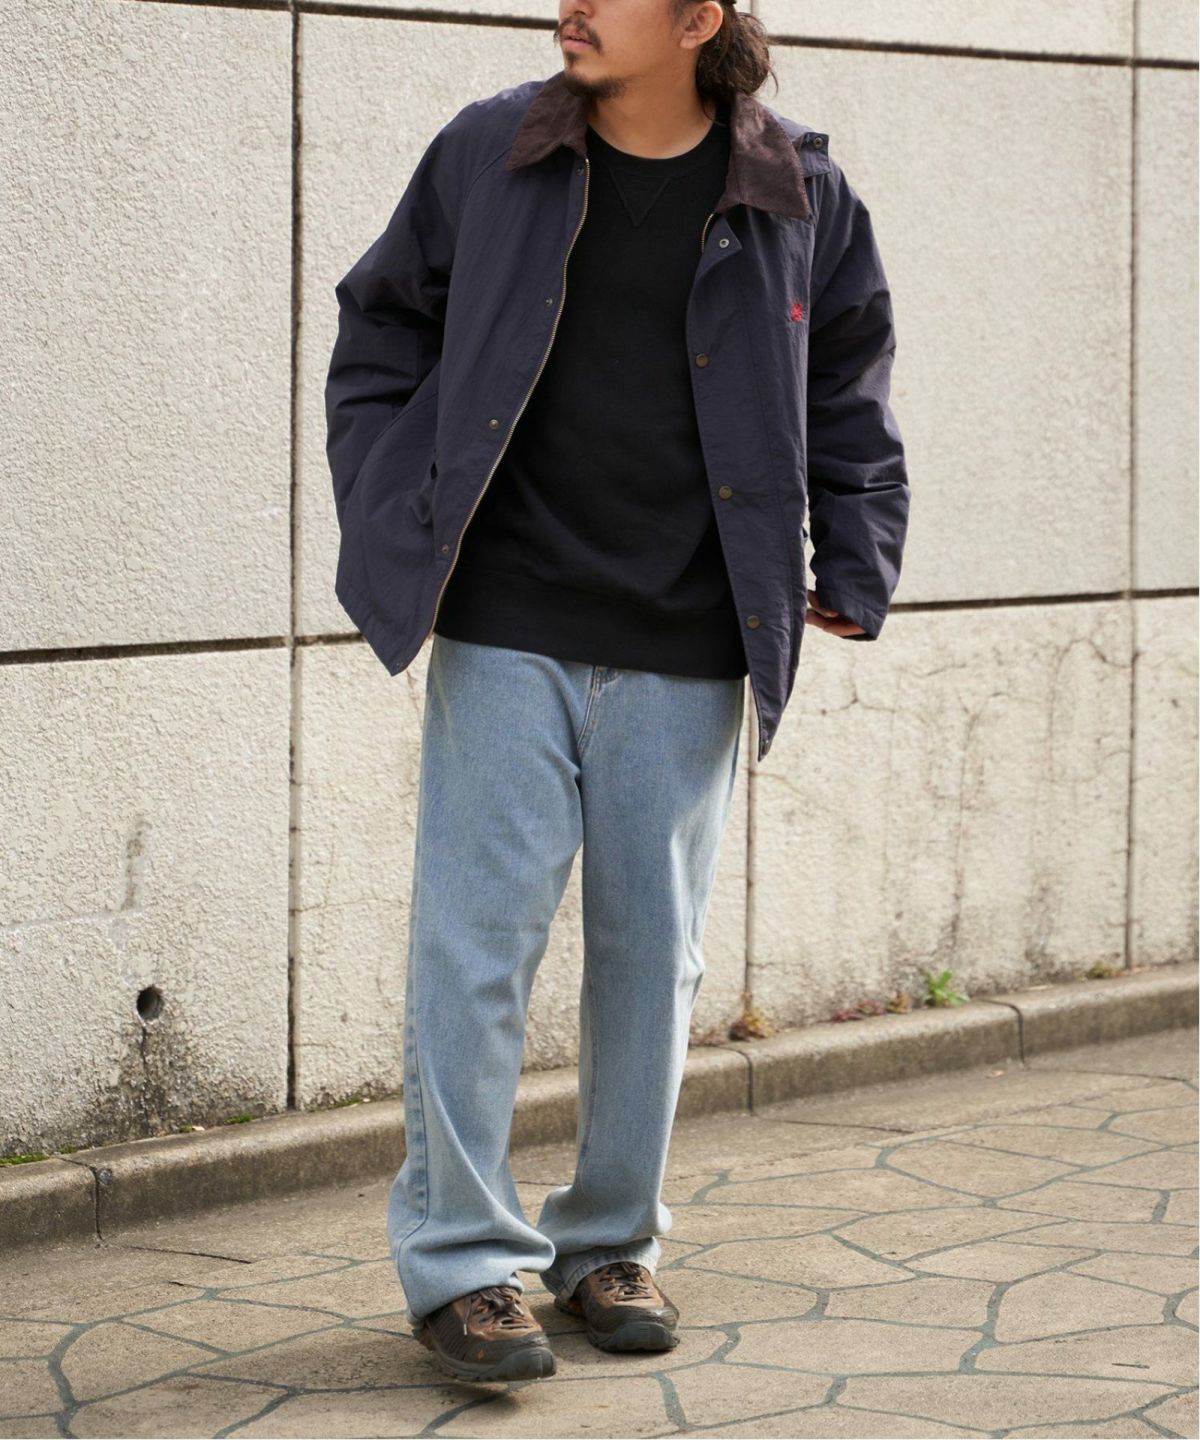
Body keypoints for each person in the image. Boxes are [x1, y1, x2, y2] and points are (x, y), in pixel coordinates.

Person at [324, 0, 909, 1387]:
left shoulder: (797, 190)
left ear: (699, 18)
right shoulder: (492, 154)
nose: (570, 6)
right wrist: (390, 500)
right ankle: (465, 1264)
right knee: (474, 950)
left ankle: (606, 1243)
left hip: (691, 629)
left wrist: (856, 549)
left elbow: (847, 378)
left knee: (654, 956)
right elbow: (382, 327)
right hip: (507, 614)